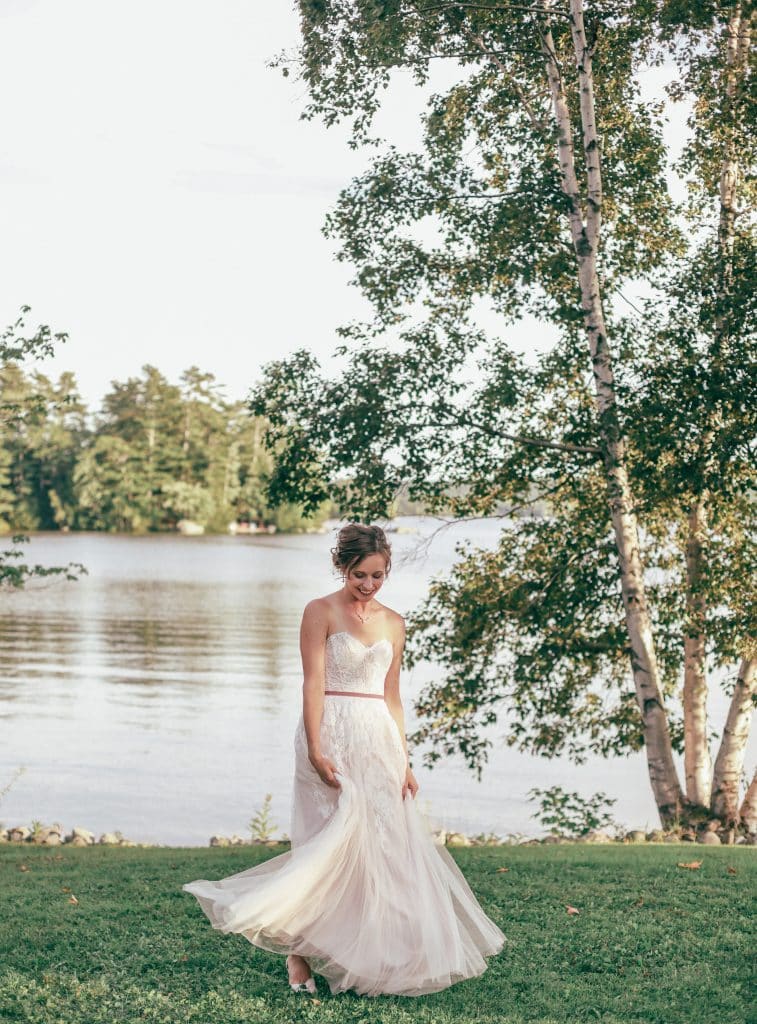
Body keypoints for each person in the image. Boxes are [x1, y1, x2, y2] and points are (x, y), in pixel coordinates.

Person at [182, 522, 506, 997]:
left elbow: (392, 696)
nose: (369, 585)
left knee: (383, 845)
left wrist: (406, 760)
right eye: (360, 575)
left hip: (377, 739)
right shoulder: (319, 611)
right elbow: (312, 683)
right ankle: (297, 955)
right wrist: (315, 748)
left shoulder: (394, 623)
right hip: (330, 732)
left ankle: (373, 955)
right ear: (343, 567)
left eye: (378, 575)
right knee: (322, 845)